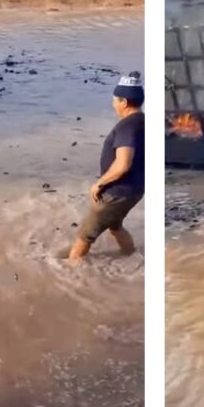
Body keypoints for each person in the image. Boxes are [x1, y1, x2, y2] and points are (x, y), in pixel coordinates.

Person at [69, 72, 145, 264]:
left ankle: (70, 274)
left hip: (116, 193)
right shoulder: (143, 121)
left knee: (85, 236)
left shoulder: (126, 127)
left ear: (124, 102)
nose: (113, 105)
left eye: (115, 101)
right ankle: (133, 259)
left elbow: (122, 165)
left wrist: (99, 184)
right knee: (115, 227)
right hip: (135, 189)